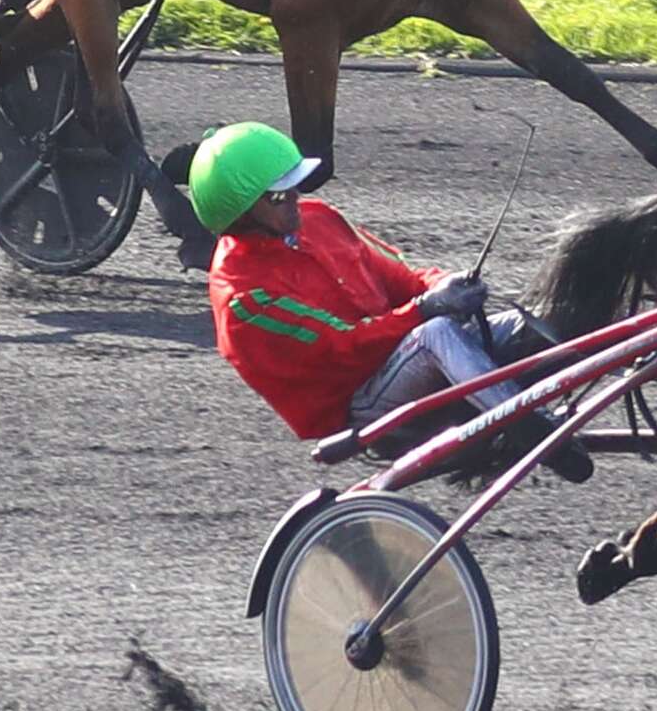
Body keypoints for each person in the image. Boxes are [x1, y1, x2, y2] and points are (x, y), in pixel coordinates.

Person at [187, 120, 593, 479]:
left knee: (544, 319)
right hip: (362, 403)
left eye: (294, 183)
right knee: (436, 333)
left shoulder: (320, 219)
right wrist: (427, 309)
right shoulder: (246, 298)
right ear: (240, 214)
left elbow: (405, 280)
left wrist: (443, 286)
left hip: (412, 351)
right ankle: (526, 425)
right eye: (278, 196)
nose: (295, 197)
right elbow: (345, 346)